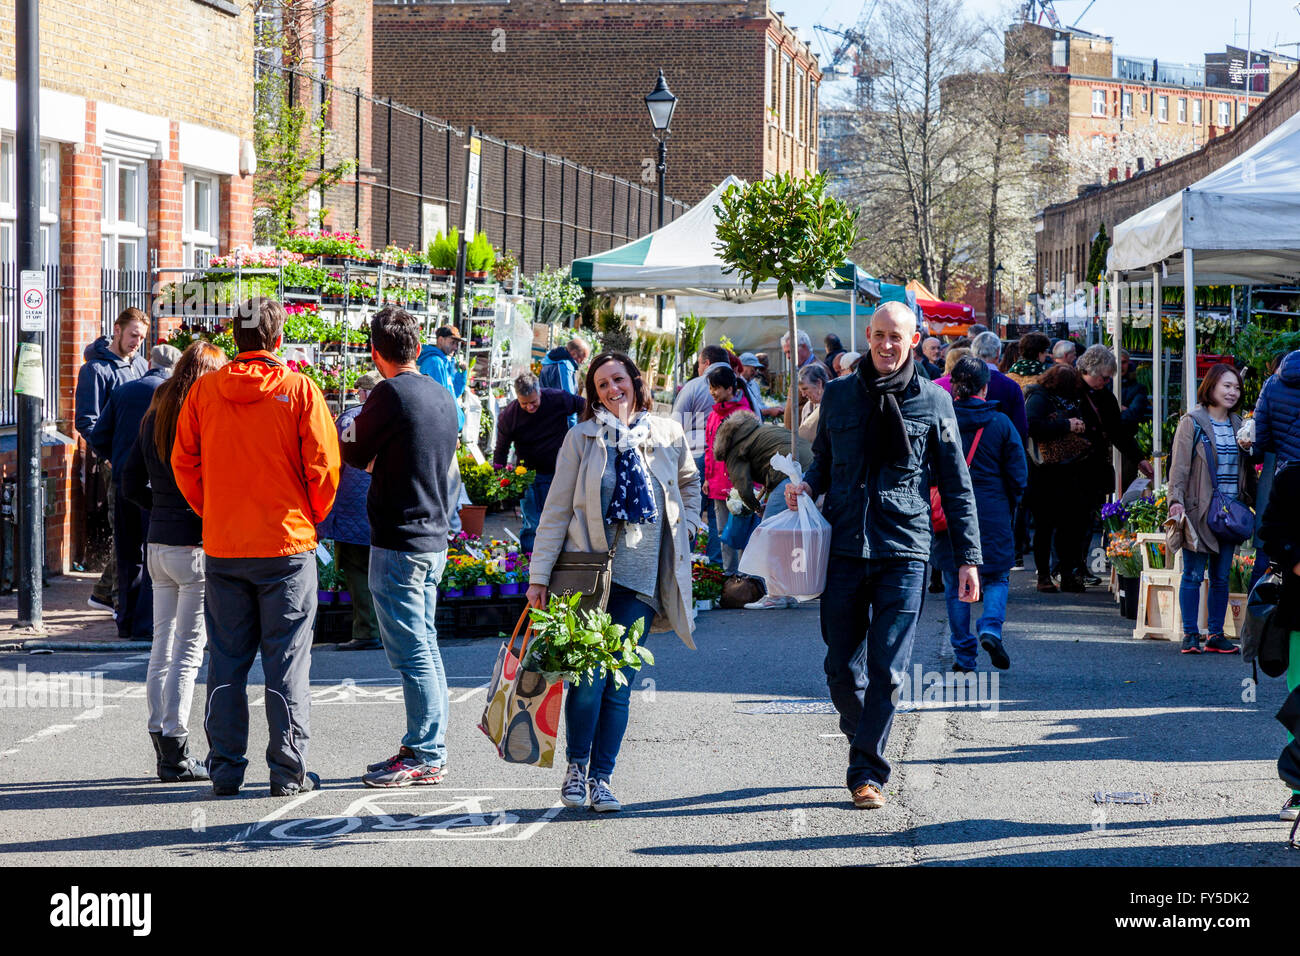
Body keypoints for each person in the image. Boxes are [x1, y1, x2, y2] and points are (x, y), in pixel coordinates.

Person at [785, 301, 982, 810]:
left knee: (888, 670)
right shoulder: (840, 395)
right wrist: (807, 483)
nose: (887, 345)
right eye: (879, 336)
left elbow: (957, 486)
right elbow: (825, 460)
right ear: (868, 337)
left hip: (905, 550)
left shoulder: (934, 403)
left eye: (898, 337)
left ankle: (866, 772)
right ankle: (864, 738)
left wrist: (968, 559)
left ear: (914, 340)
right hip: (845, 547)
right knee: (840, 669)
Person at [172, 298, 341, 797]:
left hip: (226, 546)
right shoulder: (299, 390)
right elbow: (325, 469)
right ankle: (287, 771)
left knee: (226, 659)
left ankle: (225, 769)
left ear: (234, 338)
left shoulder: (204, 391)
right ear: (278, 339)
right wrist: (308, 514)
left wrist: (215, 511)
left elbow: (185, 463)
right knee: (286, 661)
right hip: (286, 545)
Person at [528, 352, 702, 812]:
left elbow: (689, 481)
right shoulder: (581, 438)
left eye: (618, 379)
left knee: (619, 680)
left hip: (642, 579)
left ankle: (603, 778)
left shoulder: (666, 433)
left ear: (634, 381)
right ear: (594, 393)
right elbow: (555, 511)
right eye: (601, 384)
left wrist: (688, 525)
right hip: (588, 578)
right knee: (587, 678)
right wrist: (538, 576)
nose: (611, 390)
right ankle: (576, 768)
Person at [340, 307, 460, 788]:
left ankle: (427, 752)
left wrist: (353, 425)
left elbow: (352, 450)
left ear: (376, 351)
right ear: (416, 345)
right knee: (425, 646)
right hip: (432, 536)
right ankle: (424, 745)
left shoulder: (388, 393)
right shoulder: (441, 393)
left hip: (399, 540)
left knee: (413, 652)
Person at [120, 341, 226, 782]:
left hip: (158, 543)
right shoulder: (204, 415)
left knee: (161, 645)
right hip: (195, 545)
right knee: (188, 651)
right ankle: (177, 749)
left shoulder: (157, 409)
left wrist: (160, 507)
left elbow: (128, 481)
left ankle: (160, 736)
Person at [934, 357, 1027, 672]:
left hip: (949, 511)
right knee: (998, 574)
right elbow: (1018, 475)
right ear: (985, 388)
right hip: (992, 511)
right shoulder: (1001, 424)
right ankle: (990, 627)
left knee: (954, 581)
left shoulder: (942, 423)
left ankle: (964, 657)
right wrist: (1010, 502)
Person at [89, 343, 181, 640]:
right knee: (153, 552)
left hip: (122, 483)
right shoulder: (174, 396)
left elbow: (99, 436)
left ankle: (125, 622)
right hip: (158, 487)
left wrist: (116, 459)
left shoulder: (124, 391)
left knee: (127, 553)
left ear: (150, 362)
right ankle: (147, 624)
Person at [1167, 364, 1255, 655]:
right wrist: (1175, 501)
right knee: (1193, 573)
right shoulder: (1192, 422)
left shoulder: (1239, 424)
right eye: (1226, 386)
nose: (1233, 392)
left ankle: (1216, 633)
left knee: (1221, 575)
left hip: (1231, 511)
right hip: (1199, 509)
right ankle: (1190, 634)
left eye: (1236, 388)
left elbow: (1248, 469)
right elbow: (1178, 467)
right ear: (1212, 386)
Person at [76, 307, 149, 613]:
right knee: (124, 531)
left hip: (143, 461)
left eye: (142, 338)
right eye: (133, 335)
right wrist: (108, 457)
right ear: (117, 330)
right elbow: (87, 422)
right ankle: (120, 602)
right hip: (116, 462)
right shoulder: (96, 370)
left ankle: (106, 593)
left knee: (134, 533)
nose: (137, 342)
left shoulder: (141, 365)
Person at [710, 409, 813, 609]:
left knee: (769, 535)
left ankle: (772, 594)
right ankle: (788, 591)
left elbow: (743, 488)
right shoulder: (760, 431)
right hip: (810, 469)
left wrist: (755, 508)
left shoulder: (735, 448)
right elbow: (769, 465)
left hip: (790, 476)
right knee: (788, 536)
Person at [317, 370, 385, 651]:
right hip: (384, 507)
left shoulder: (350, 419)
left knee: (356, 570)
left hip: (351, 511)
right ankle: (385, 630)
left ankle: (366, 631)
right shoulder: (392, 418)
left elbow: (333, 464)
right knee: (382, 572)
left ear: (363, 393)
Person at [493, 371, 586, 552]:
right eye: (524, 403)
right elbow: (501, 449)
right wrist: (500, 477)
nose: (529, 407)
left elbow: (584, 406)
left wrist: (583, 433)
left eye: (533, 402)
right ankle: (530, 561)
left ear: (540, 392)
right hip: (527, 475)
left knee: (558, 519)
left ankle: (556, 559)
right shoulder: (509, 416)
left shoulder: (557, 398)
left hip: (559, 471)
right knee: (532, 522)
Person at [1254, 461, 1300, 822]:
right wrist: (1296, 560)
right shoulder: (1292, 476)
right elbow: (1269, 530)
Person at [672, 345, 731, 564]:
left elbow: (675, 425)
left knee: (690, 510)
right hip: (729, 462)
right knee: (720, 517)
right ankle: (717, 569)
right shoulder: (740, 385)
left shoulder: (695, 386)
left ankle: (685, 565)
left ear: (706, 363)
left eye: (698, 364)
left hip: (696, 455)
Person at [703, 366, 754, 575]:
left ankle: (746, 577)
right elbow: (708, 447)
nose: (713, 392)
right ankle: (729, 576)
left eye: (717, 388)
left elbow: (751, 451)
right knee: (723, 531)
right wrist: (707, 477)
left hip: (739, 482)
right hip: (717, 481)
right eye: (711, 388)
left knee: (742, 531)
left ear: (730, 388)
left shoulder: (744, 414)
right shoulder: (714, 415)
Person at [969, 332, 1028, 441]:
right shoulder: (1010, 386)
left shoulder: (962, 381)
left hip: (968, 451)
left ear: (973, 353)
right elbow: (1020, 428)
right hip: (1002, 449)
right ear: (997, 353)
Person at [417, 325, 468, 432]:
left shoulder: (444, 362)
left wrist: (462, 374)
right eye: (452, 342)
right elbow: (437, 403)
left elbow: (454, 393)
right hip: (443, 430)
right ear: (440, 340)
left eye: (457, 344)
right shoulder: (435, 363)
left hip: (448, 428)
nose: (455, 347)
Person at [797, 362, 831, 444]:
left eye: (805, 389)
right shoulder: (807, 407)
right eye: (801, 391)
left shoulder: (834, 404)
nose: (803, 395)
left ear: (819, 383)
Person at [737, 352, 777, 419]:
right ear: (742, 367)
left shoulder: (754, 384)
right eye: (753, 370)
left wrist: (773, 409)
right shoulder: (737, 385)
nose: (755, 373)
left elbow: (759, 405)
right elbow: (746, 411)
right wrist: (769, 411)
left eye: (756, 370)